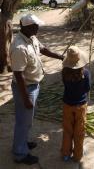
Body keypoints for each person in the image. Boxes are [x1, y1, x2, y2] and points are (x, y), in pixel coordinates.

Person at [10, 13, 64, 165]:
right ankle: (20, 154)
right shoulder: (19, 47)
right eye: (35, 26)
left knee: (27, 120)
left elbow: (43, 49)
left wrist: (60, 57)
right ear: (27, 27)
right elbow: (18, 75)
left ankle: (23, 143)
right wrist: (26, 98)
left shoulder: (31, 37)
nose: (38, 28)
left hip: (33, 85)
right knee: (23, 121)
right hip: (25, 88)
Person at [61, 45, 91, 162]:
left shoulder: (64, 73)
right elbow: (87, 88)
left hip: (67, 105)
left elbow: (65, 85)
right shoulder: (86, 73)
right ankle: (78, 155)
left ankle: (65, 154)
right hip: (80, 106)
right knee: (79, 131)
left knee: (68, 130)